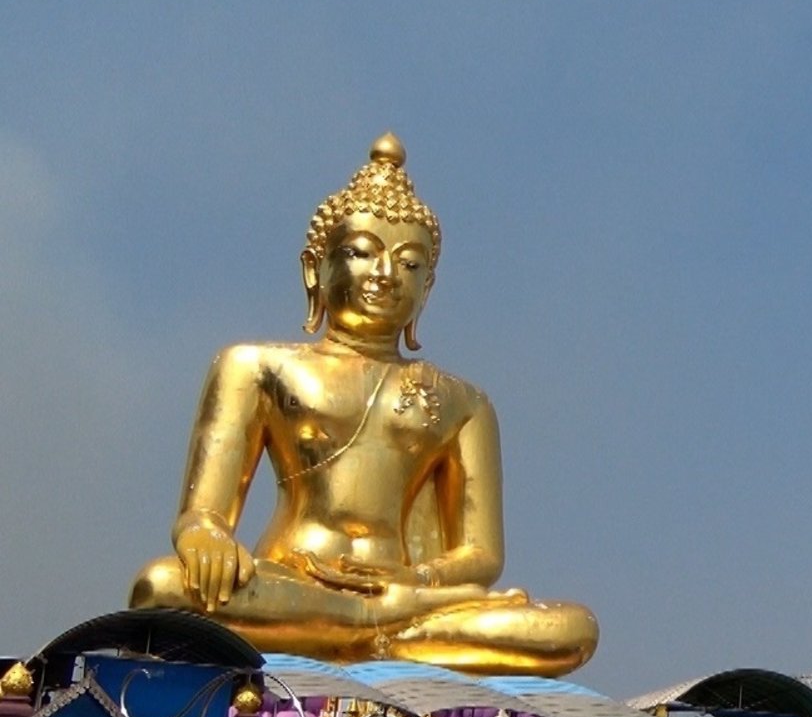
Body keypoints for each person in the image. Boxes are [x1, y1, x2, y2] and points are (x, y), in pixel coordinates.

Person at [130, 135, 598, 676]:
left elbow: (481, 556)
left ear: (428, 288)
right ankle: (374, 633)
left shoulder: (463, 403)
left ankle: (362, 633)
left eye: (409, 264)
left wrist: (415, 585)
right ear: (316, 269)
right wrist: (206, 538)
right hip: (292, 582)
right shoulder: (255, 367)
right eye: (361, 252)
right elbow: (203, 512)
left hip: (407, 594)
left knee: (570, 629)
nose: (385, 275)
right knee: (162, 588)